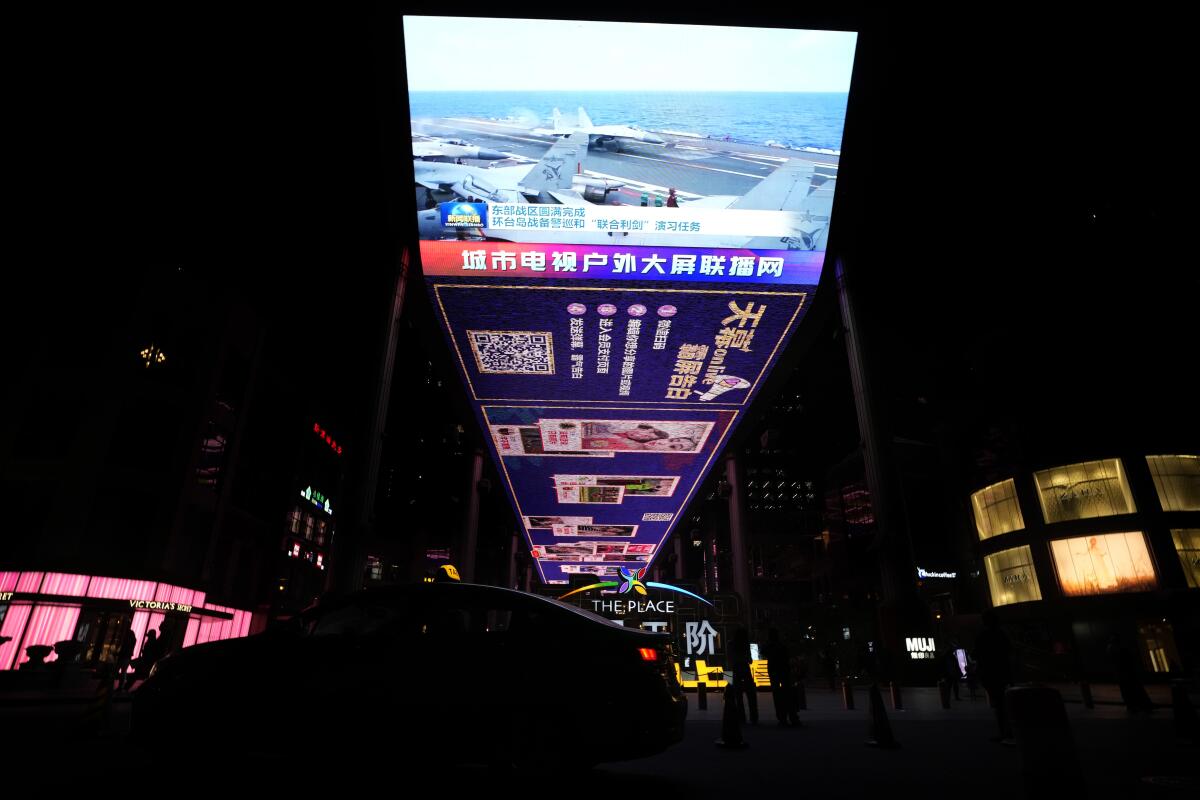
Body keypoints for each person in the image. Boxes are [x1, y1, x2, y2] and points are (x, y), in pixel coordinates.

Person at [974, 611, 1013, 742]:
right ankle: (1008, 731)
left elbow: (976, 654)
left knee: (999, 703)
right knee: (1003, 702)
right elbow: (1009, 650)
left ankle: (1005, 732)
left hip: (989, 672)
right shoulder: (1002, 634)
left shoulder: (983, 636)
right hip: (1002, 671)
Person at [1107, 634, 1153, 713]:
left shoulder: (1111, 649)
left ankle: (1131, 705)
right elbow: (1128, 660)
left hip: (1121, 674)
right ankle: (1141, 705)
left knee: (1126, 691)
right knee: (1134, 688)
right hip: (1127, 673)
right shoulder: (1120, 649)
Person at [762, 629, 798, 726]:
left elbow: (763, 652)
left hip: (774, 671)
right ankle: (793, 717)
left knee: (777, 695)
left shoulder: (769, 646)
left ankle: (782, 718)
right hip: (784, 670)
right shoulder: (782, 645)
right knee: (788, 694)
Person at [729, 628, 758, 725]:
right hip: (745, 669)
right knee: (751, 694)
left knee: (738, 695)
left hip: (737, 669)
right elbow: (750, 660)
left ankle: (741, 718)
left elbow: (731, 659)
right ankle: (754, 718)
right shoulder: (745, 645)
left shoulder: (732, 644)